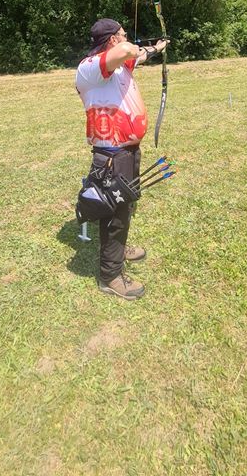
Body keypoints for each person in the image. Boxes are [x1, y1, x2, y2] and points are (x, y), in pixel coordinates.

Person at [75, 18, 168, 300]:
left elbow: (137, 54)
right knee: (114, 214)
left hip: (128, 151)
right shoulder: (90, 69)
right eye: (124, 34)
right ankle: (110, 276)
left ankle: (119, 249)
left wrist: (157, 48)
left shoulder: (118, 67)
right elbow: (129, 51)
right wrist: (135, 48)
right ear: (113, 39)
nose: (128, 39)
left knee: (125, 207)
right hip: (112, 156)